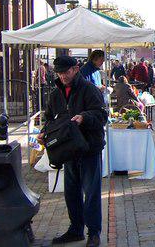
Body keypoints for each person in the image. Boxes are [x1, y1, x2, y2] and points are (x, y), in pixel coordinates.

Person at [38, 56, 108, 247]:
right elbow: (49, 118)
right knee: (71, 192)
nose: (63, 76)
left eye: (66, 72)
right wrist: (44, 132)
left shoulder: (89, 89)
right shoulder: (55, 94)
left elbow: (102, 115)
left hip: (89, 148)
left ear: (75, 69)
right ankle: (76, 229)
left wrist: (83, 117)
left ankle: (94, 233)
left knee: (91, 193)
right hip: (68, 150)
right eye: (59, 73)